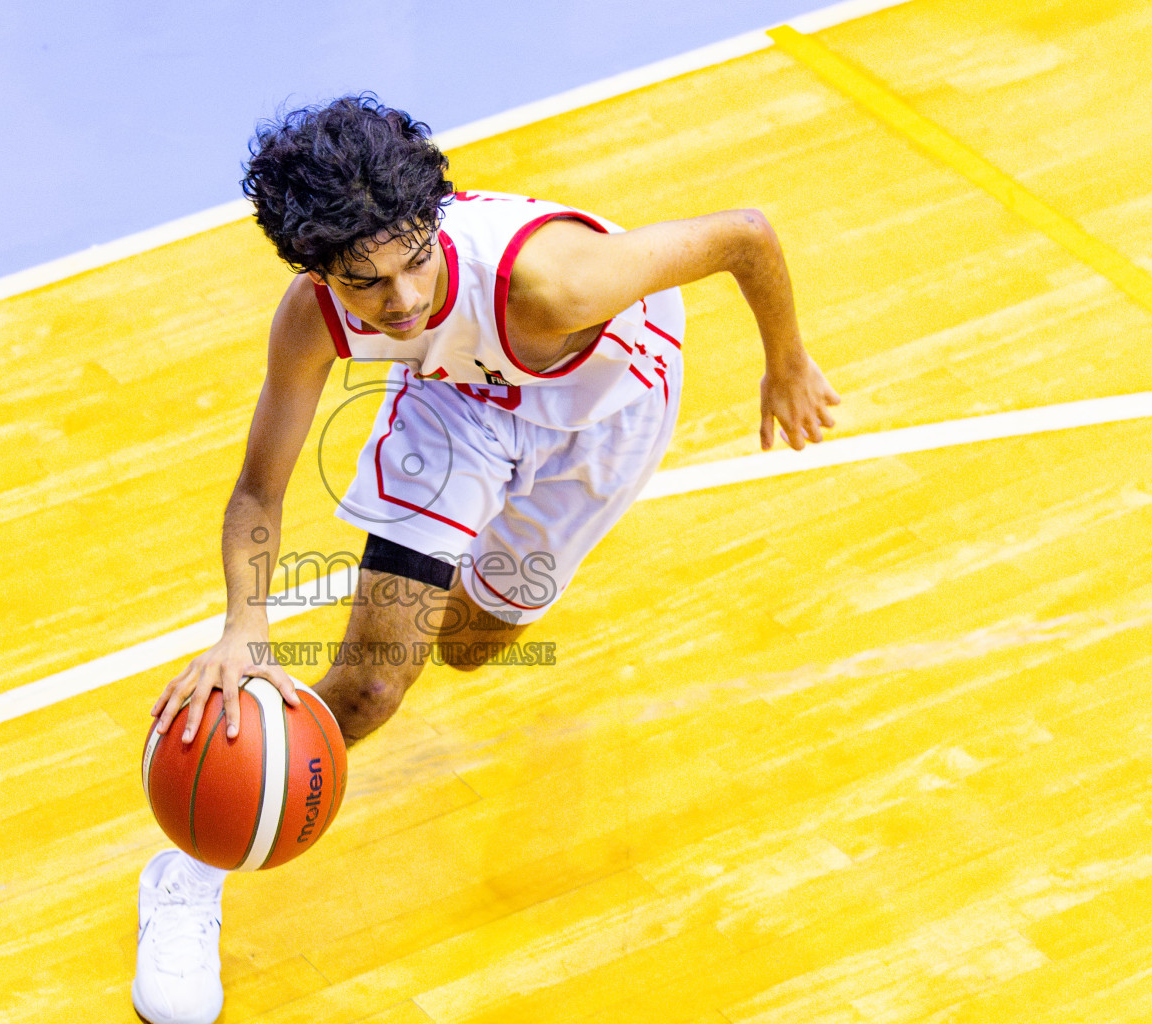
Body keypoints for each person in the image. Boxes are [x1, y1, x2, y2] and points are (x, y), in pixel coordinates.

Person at [130, 94, 840, 1024]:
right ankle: (188, 872)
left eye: (415, 259)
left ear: (436, 221)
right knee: (375, 685)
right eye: (365, 282)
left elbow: (747, 235)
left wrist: (785, 362)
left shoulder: (556, 281)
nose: (404, 299)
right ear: (318, 274)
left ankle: (436, 569)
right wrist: (244, 627)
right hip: (456, 406)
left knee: (469, 644)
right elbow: (259, 490)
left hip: (605, 412)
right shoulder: (314, 320)